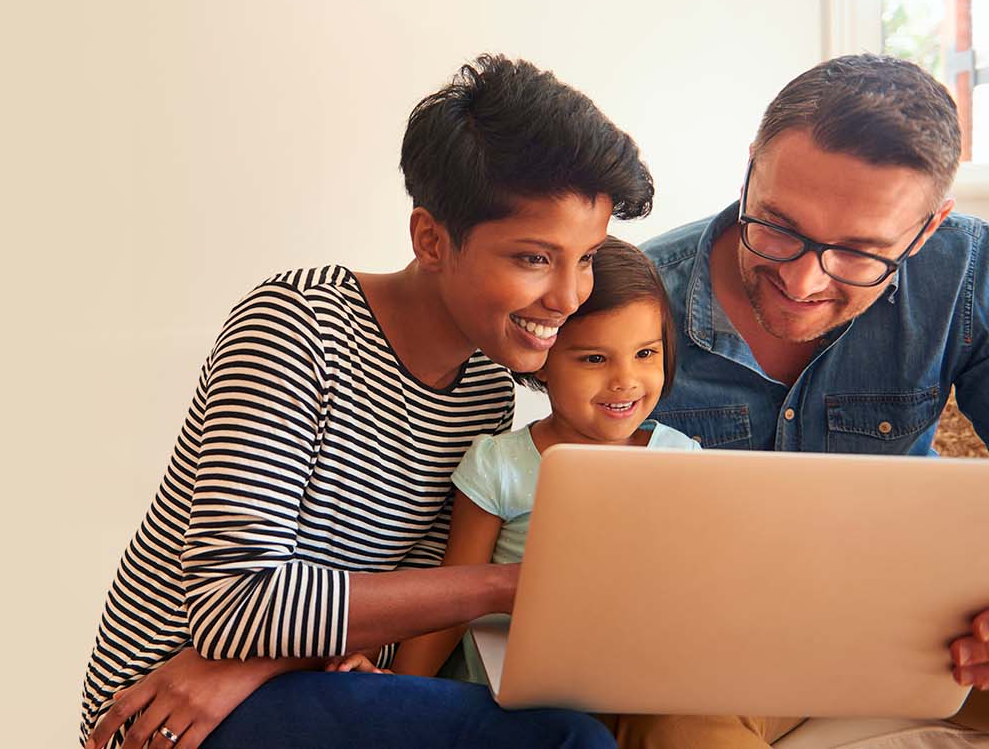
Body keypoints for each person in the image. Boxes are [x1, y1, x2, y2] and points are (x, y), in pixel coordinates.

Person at [78, 54, 655, 749]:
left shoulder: (481, 390)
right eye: (534, 258)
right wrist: (505, 586)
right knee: (568, 743)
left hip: (296, 680)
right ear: (431, 240)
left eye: (587, 256)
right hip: (164, 709)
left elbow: (396, 612)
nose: (568, 296)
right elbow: (231, 608)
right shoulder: (296, 326)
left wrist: (268, 665)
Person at [608, 54, 989, 748]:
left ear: (928, 230)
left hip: (932, 637)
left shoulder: (968, 272)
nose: (804, 281)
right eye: (779, 226)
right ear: (752, 166)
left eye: (858, 252)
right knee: (672, 723)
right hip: (721, 656)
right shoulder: (633, 303)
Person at [325, 237, 702, 683]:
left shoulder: (683, 461)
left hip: (634, 678)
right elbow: (454, 597)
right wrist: (403, 686)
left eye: (645, 354)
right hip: (507, 692)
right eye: (595, 358)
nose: (626, 381)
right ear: (542, 359)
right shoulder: (498, 464)